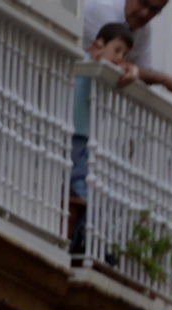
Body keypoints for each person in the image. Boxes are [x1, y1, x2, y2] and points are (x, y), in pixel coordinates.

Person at [70, 21, 135, 254]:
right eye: (116, 50)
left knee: (82, 182)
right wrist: (99, 55)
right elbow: (96, 60)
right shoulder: (91, 61)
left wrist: (130, 69)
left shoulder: (103, 69)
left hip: (83, 135)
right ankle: (83, 237)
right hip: (76, 133)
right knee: (79, 183)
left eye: (124, 54)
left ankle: (86, 236)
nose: (119, 58)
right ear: (99, 43)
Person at [82, 0, 172, 93]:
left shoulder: (144, 29)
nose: (145, 13)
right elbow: (111, 60)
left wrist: (138, 72)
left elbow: (143, 71)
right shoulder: (102, 8)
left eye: (154, 10)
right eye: (143, 2)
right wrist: (163, 78)